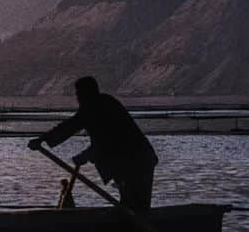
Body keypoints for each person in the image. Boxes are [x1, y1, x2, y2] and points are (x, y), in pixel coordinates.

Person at [29, 76, 158, 211]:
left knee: (135, 207)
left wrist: (84, 155)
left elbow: (108, 140)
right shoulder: (97, 105)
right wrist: (43, 139)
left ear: (87, 93)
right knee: (130, 206)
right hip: (132, 162)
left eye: (79, 94)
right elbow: (76, 128)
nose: (77, 99)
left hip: (136, 162)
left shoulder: (99, 106)